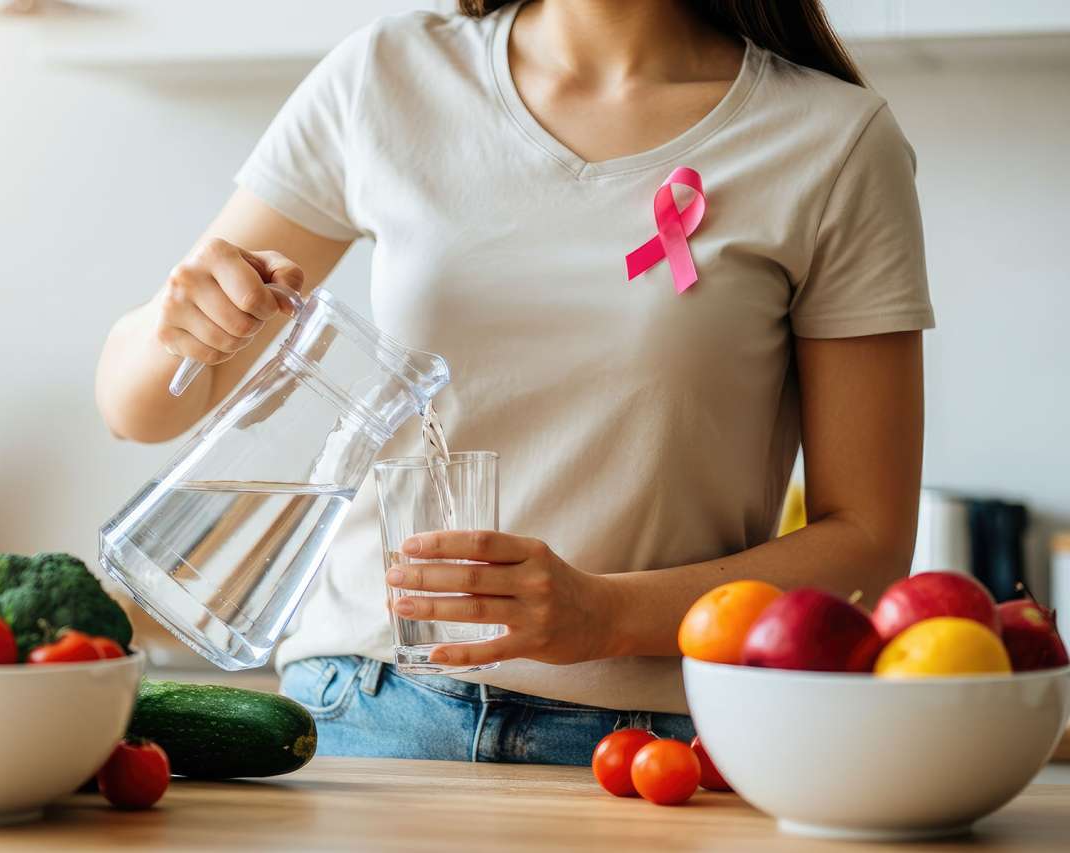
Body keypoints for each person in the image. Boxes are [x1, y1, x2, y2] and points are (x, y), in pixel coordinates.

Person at [96, 0, 933, 764]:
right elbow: (138, 408)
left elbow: (869, 542)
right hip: (362, 711)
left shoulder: (833, 142)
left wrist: (603, 614)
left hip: (652, 754)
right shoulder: (385, 76)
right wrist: (182, 322)